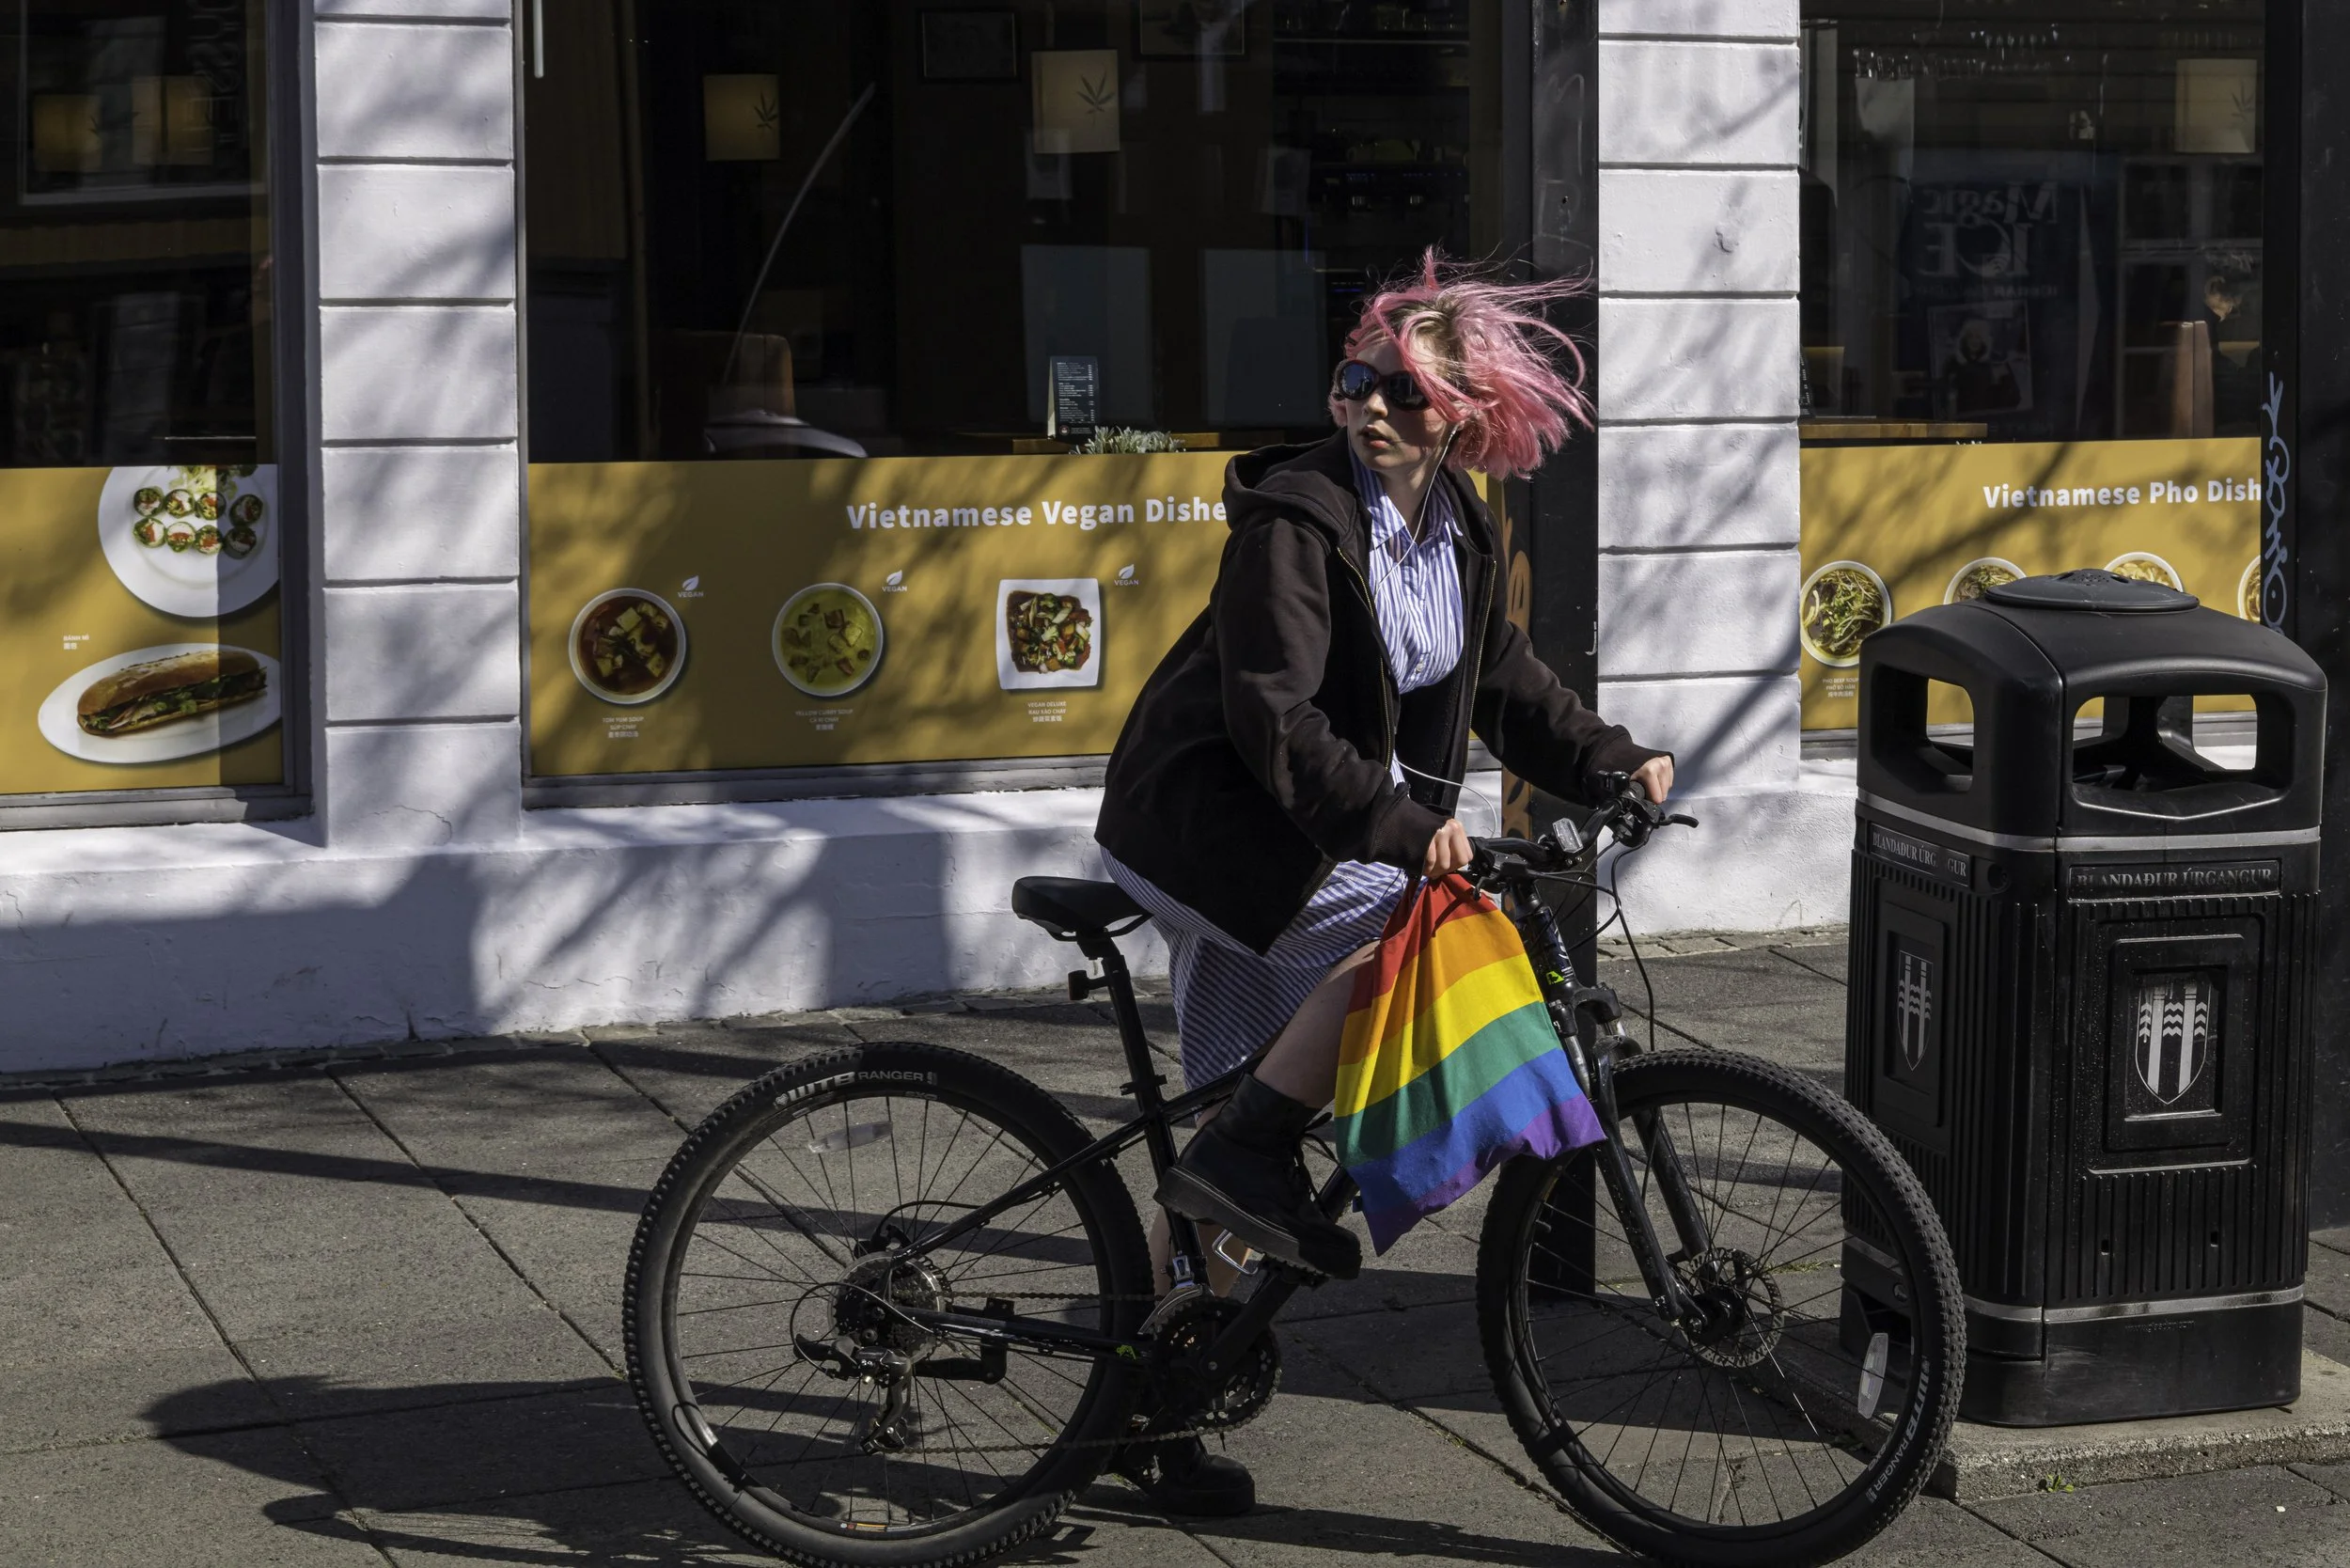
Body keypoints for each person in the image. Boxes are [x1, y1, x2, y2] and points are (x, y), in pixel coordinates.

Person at [1092, 251, 1673, 1513]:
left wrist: (1611, 759)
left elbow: (1504, 679)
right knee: (1409, 945)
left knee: (1234, 1143)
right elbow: (1275, 724)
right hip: (1218, 831)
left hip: (1300, 837)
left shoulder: (1456, 524)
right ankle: (1249, 1161)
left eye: (1404, 393)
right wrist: (1403, 826)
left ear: (1464, 423)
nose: (1369, 406)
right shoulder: (1298, 524)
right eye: (1360, 378)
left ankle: (1144, 1400)